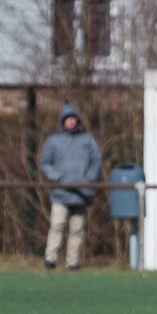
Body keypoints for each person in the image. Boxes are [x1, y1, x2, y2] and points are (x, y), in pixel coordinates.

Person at [41, 103, 102, 271]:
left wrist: (88, 179)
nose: (71, 122)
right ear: (63, 121)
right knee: (57, 226)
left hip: (81, 194)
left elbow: (97, 160)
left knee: (77, 230)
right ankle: (50, 260)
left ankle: (72, 263)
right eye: (68, 119)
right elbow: (45, 163)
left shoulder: (88, 140)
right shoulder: (53, 141)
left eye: (74, 118)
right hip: (60, 193)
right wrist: (58, 178)